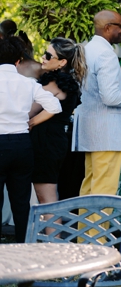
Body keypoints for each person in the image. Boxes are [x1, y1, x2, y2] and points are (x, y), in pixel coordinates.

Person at [0, 37, 61, 241]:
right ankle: (23, 249)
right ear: (18, 61)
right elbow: (55, 107)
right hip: (22, 145)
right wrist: (32, 122)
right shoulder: (28, 83)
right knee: (21, 202)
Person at [75, 10, 121, 196]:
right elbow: (111, 97)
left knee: (89, 186)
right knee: (104, 191)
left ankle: (85, 227)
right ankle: (98, 227)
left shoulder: (87, 49)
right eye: (120, 26)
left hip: (90, 129)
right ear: (107, 28)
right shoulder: (106, 54)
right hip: (107, 133)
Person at [30, 38, 86, 205]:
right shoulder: (68, 83)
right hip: (55, 140)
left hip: (46, 142)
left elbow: (29, 111)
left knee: (46, 196)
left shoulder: (54, 84)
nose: (43, 58)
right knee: (47, 195)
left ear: (62, 62)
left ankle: (53, 232)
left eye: (48, 55)